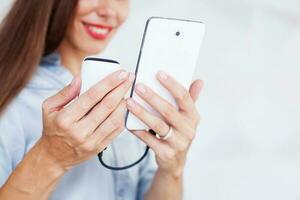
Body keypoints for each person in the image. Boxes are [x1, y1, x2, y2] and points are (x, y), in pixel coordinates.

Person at [0, 0, 203, 199]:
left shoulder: (126, 100)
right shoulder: (13, 101)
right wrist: (51, 157)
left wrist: (172, 170)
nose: (110, 10)